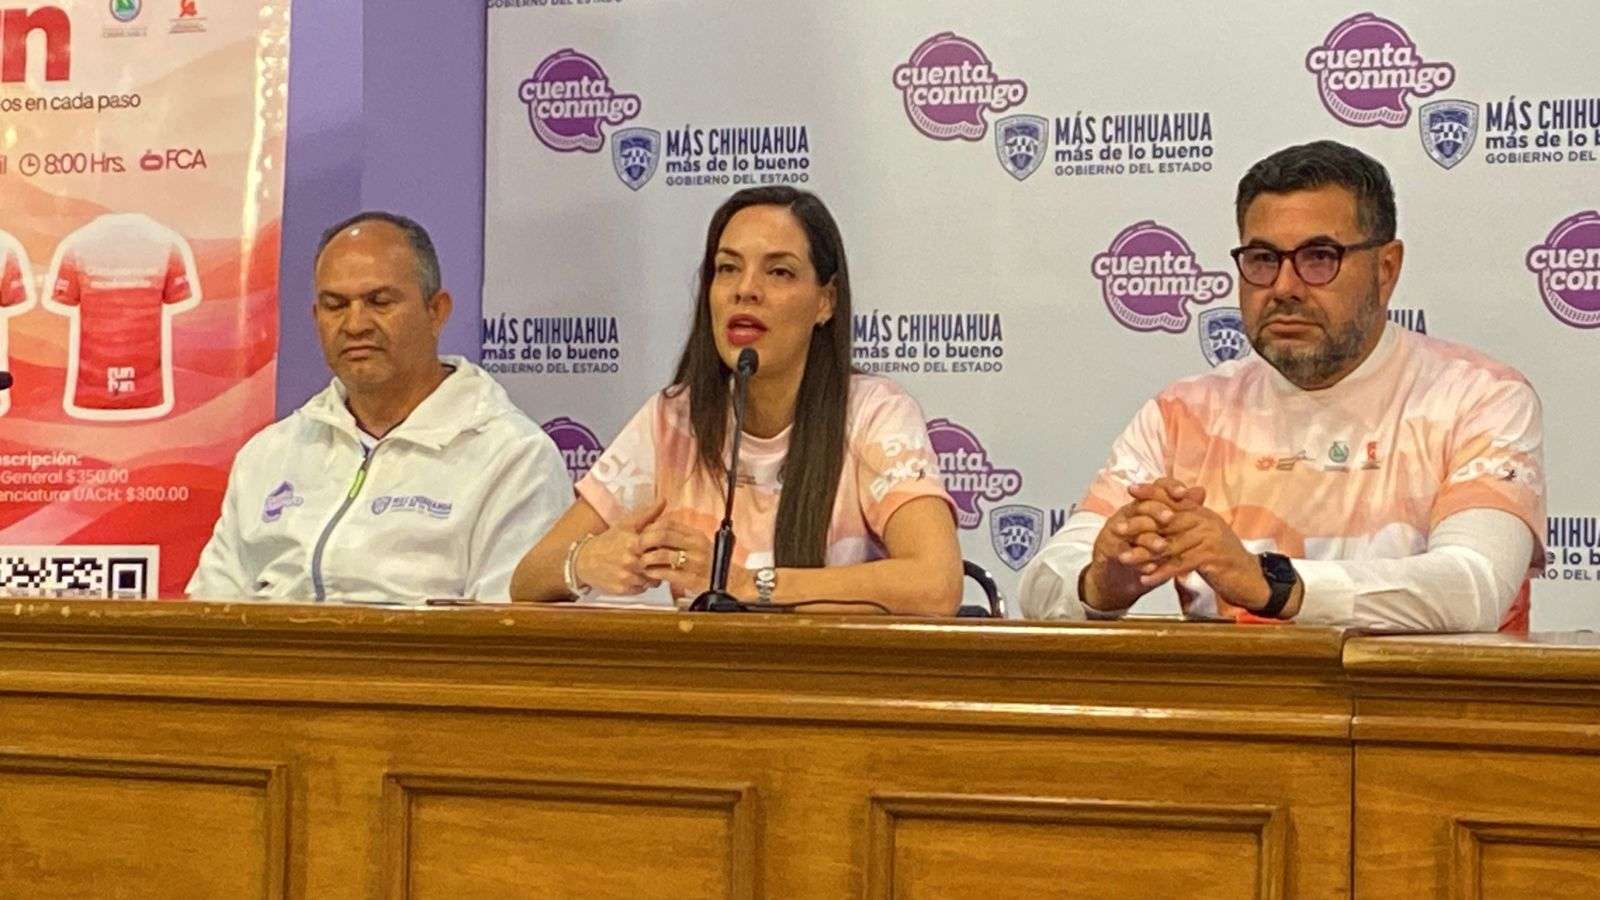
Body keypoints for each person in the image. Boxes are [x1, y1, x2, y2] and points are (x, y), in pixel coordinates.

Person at [1020, 140, 1545, 632]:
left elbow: (1475, 586)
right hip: (1236, 699)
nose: (1284, 288)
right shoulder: (1184, 414)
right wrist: (1103, 581)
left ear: (1386, 269)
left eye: (1319, 257)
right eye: (1263, 259)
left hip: (1420, 701)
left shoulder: (1478, 398)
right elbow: (1043, 585)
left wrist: (1271, 583)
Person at [510, 187, 962, 614]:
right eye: (727, 268)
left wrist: (748, 583)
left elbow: (936, 584)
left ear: (825, 301)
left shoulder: (872, 414)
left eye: (779, 272)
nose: (745, 289)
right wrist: (586, 561)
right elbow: (527, 580)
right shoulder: (675, 419)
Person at [187, 212, 570, 602]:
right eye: (335, 305)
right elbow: (210, 611)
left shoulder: (513, 457)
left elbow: (508, 623)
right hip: (268, 643)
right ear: (316, 317)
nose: (355, 325)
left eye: (379, 302)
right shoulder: (269, 453)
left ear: (436, 311)